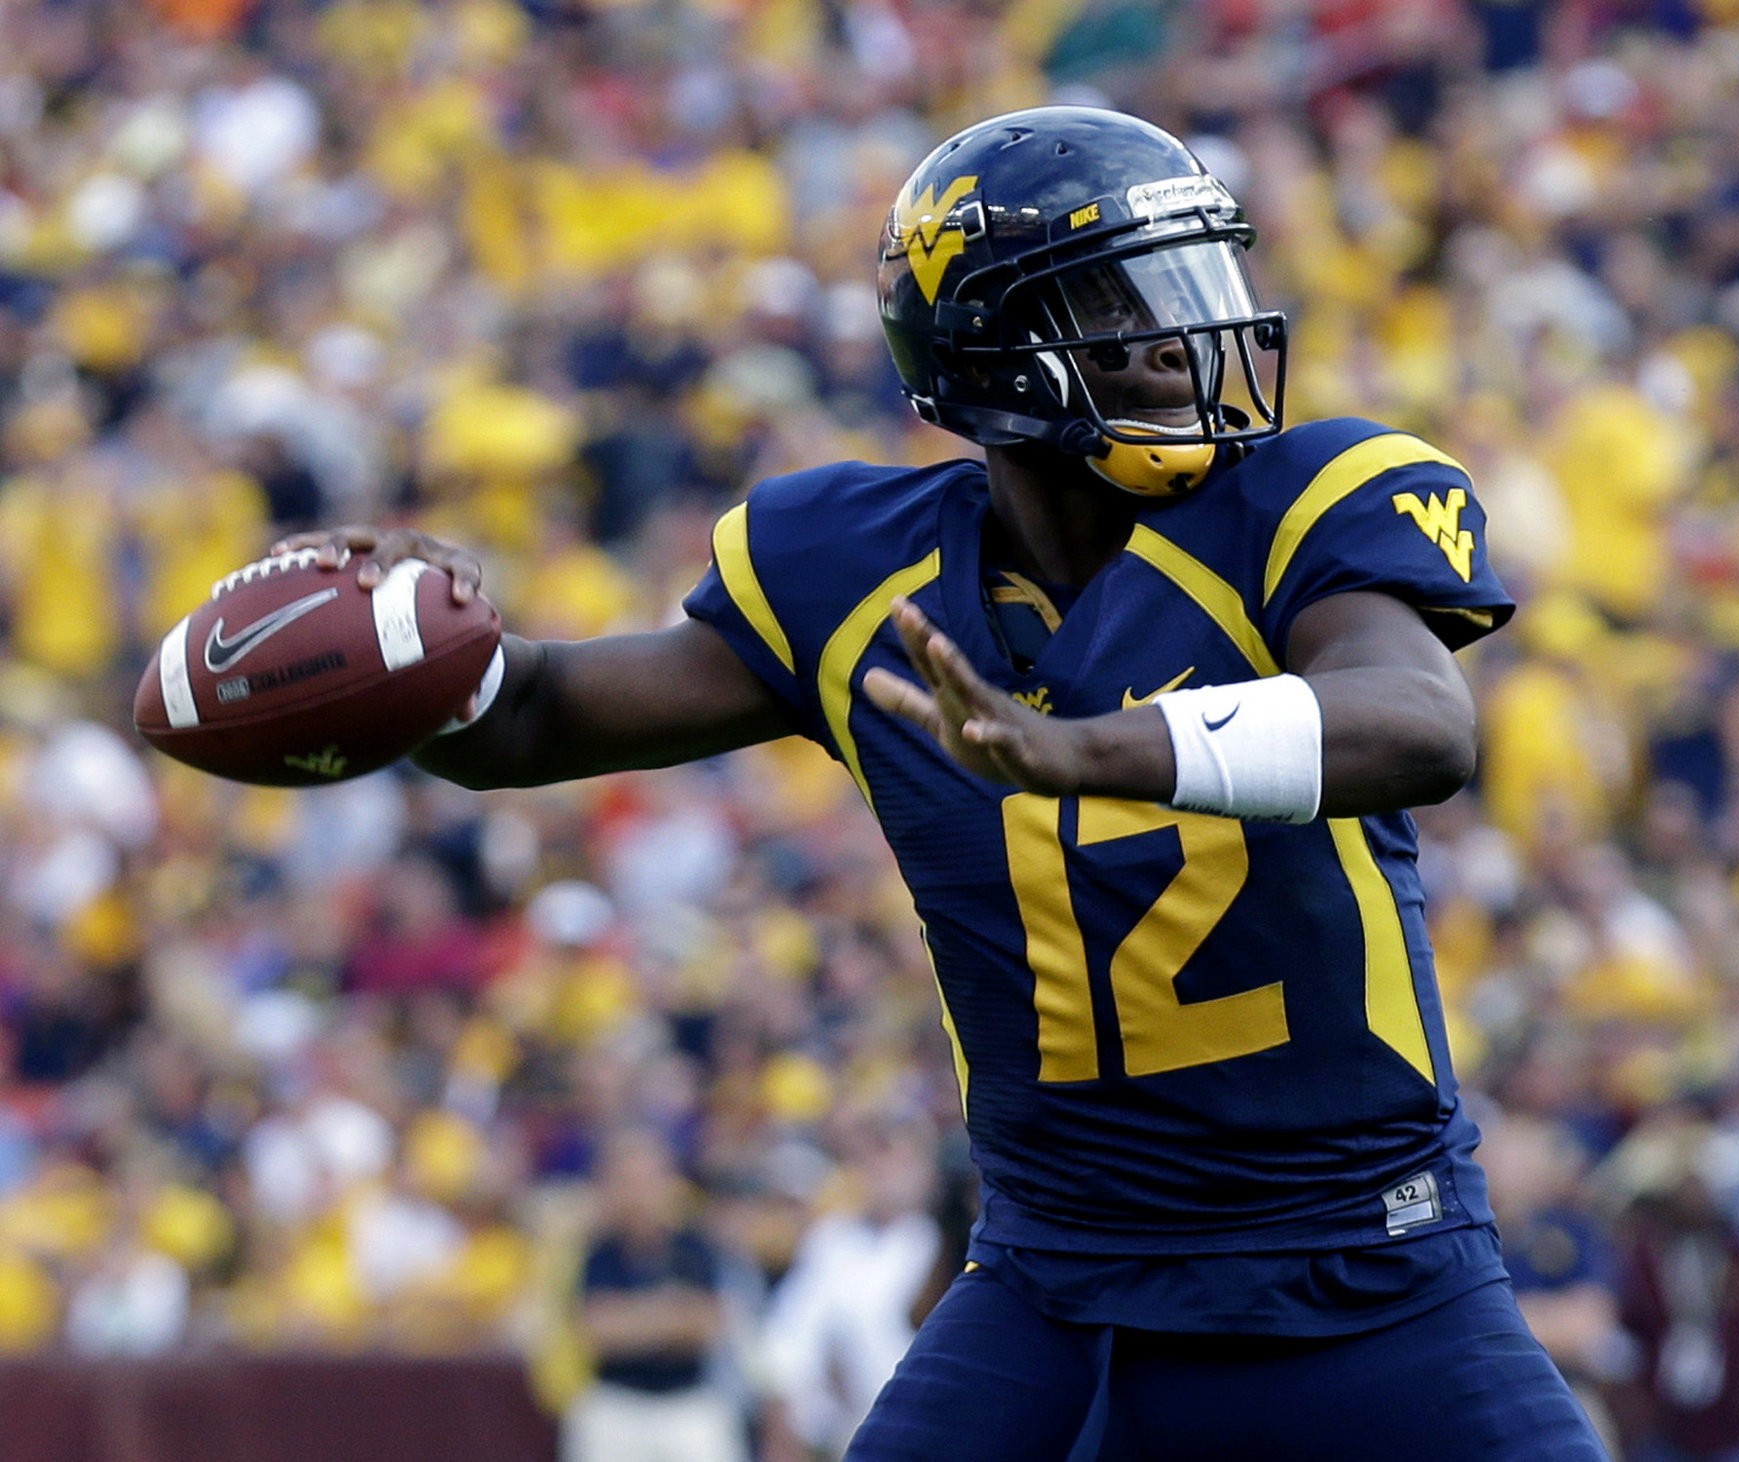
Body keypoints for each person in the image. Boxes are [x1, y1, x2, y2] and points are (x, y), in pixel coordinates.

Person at [283, 106, 1605, 1460]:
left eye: (1192, 282)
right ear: (988, 347)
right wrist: (412, 646)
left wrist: (1092, 752)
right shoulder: (853, 573)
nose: (1178, 335)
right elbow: (532, 718)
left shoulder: (1303, 501)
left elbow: (1419, 724)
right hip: (1060, 1284)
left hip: (1372, 1265)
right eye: (1120, 301)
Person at [565, 1127, 745, 1462]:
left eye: (645, 1180)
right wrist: (672, 1311)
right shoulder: (598, 1252)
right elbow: (596, 1331)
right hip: (617, 1402)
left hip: (687, 1402)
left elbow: (710, 1325)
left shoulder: (694, 1247)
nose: (637, 1193)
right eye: (626, 1181)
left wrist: (632, 1318)